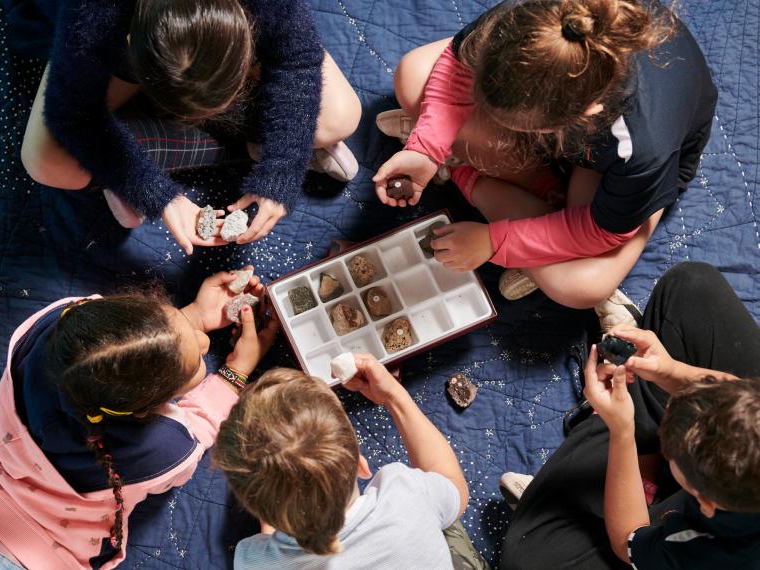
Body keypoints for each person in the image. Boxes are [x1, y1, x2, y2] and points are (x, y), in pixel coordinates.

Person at [373, 0, 717, 331]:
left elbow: (599, 230)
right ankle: (509, 209)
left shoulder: (642, 149)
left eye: (519, 128)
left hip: (611, 174)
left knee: (579, 286)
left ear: (580, 119)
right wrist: (426, 149)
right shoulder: (532, 16)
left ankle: (465, 173)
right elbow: (457, 68)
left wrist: (494, 241)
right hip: (560, 109)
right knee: (413, 76)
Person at [0, 269, 279, 568]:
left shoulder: (56, 325)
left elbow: (103, 331)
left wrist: (189, 317)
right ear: (144, 411)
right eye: (197, 363)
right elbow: (201, 426)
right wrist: (235, 372)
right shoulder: (164, 452)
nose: (204, 343)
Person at [8, 0, 362, 253]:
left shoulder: (266, 10)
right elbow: (73, 116)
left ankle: (117, 161)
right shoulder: (93, 20)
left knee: (341, 116)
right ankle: (122, 162)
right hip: (111, 37)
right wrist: (157, 195)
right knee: (46, 162)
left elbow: (297, 59)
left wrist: (283, 167)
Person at [499, 262, 760, 569]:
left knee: (530, 560)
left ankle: (617, 441)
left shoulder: (707, 554)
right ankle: (628, 442)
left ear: (705, 503)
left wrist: (622, 431)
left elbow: (629, 540)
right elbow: (736, 390)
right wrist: (669, 370)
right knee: (691, 286)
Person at [212, 359, 491, 569]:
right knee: (441, 507)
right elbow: (456, 490)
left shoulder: (257, 561)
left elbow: (271, 538)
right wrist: (394, 395)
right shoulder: (406, 493)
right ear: (361, 465)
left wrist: (278, 500)